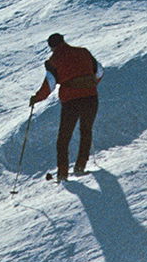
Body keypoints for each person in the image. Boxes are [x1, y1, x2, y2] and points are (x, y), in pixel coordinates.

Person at [30, 32, 101, 180]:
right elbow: (99, 71)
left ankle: (62, 173)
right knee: (86, 131)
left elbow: (49, 85)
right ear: (63, 41)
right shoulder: (83, 52)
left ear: (51, 47)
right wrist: (89, 85)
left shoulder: (54, 60)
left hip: (71, 102)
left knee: (64, 138)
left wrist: (36, 98)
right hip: (91, 98)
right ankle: (80, 166)